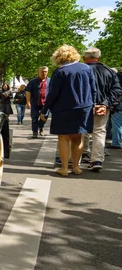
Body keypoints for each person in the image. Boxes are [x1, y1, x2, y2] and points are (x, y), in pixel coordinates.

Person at [39, 45, 96, 177]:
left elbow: (52, 94)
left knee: (63, 137)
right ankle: (76, 167)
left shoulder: (60, 72)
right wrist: (92, 104)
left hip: (63, 109)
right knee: (78, 137)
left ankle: (64, 168)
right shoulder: (86, 68)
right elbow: (93, 89)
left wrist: (45, 110)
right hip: (84, 107)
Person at [80, 47, 122, 171]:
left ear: (84, 58)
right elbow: (117, 89)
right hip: (102, 106)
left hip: (84, 105)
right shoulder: (109, 71)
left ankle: (83, 153)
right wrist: (107, 103)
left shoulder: (81, 70)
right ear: (99, 57)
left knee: (83, 130)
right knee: (99, 131)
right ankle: (97, 159)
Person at [26, 66, 50, 138]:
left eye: (45, 71)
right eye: (42, 71)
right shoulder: (33, 81)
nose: (44, 73)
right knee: (34, 118)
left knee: (44, 117)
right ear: (38, 72)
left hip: (46, 104)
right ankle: (35, 132)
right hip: (35, 103)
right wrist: (28, 102)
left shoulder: (50, 81)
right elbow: (28, 92)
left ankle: (41, 126)